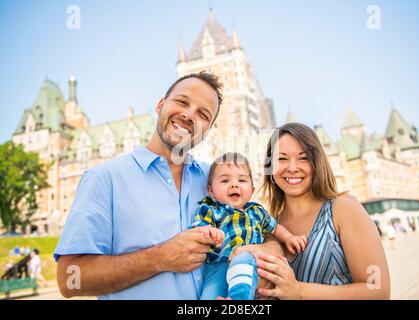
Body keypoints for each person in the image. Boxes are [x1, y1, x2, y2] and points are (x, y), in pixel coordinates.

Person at [54, 72, 283, 299]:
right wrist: (160, 258)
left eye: (203, 114)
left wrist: (265, 250)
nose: (189, 115)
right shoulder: (103, 179)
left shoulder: (218, 179)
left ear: (208, 131)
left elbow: (262, 225)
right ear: (160, 105)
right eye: (182, 102)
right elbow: (69, 280)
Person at [242, 122, 390, 299]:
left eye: (303, 158)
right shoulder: (271, 226)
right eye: (281, 159)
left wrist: (299, 291)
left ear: (316, 163)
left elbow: (378, 291)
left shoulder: (344, 209)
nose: (292, 167)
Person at [191, 152, 307, 300]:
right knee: (210, 295)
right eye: (225, 181)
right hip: (218, 264)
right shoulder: (211, 209)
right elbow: (199, 227)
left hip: (249, 259)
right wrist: (208, 231)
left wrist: (289, 238)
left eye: (242, 180)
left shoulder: (257, 211)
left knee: (242, 266)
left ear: (252, 190)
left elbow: (275, 228)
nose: (234, 184)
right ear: (211, 190)